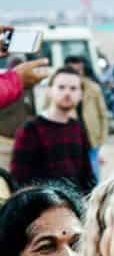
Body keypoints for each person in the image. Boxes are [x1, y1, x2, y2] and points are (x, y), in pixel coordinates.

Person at [10, 66, 95, 194]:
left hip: (75, 205)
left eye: (73, 89)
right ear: (49, 91)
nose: (67, 93)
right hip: (43, 206)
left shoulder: (77, 128)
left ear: (80, 95)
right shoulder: (31, 130)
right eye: (61, 87)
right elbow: (19, 180)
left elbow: (86, 174)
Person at [57, 54, 108, 177]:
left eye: (79, 70)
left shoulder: (93, 88)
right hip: (68, 145)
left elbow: (103, 115)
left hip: (91, 143)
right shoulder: (57, 89)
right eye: (72, 70)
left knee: (94, 181)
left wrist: (101, 140)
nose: (76, 74)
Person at [0, 55, 41, 171]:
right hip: (3, 141)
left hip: (23, 140)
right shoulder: (5, 84)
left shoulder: (28, 86)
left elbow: (32, 109)